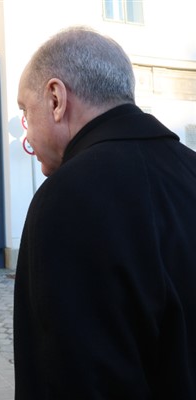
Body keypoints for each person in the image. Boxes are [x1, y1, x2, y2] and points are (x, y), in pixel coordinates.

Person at [14, 26, 196, 399]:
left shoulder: (63, 199)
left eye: (24, 111)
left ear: (55, 99)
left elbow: (71, 379)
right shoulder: (191, 169)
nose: (26, 135)